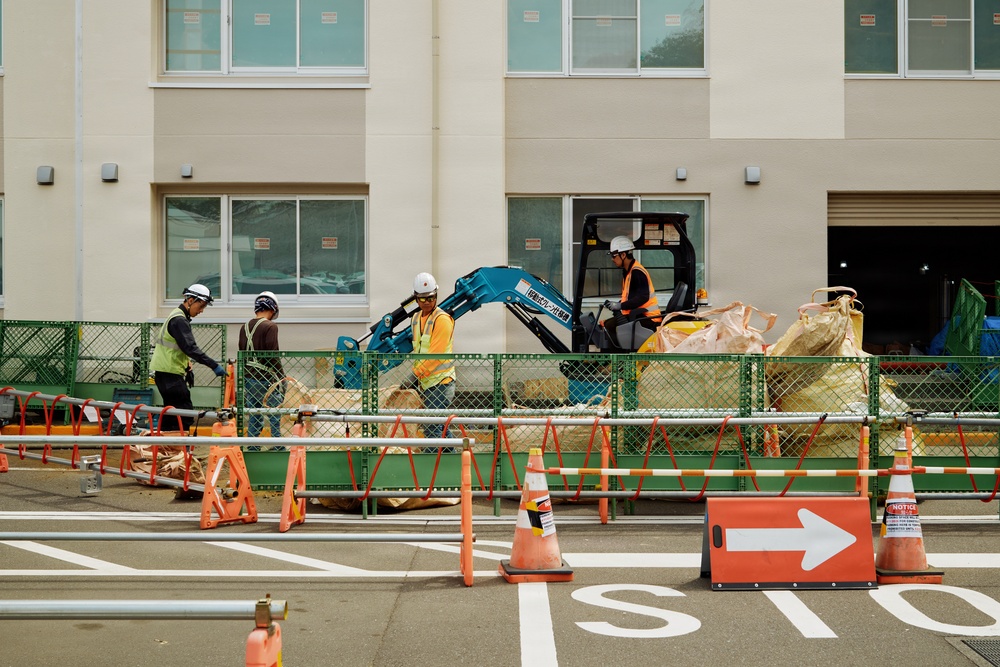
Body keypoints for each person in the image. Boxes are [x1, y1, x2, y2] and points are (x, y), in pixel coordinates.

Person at [150, 283, 227, 432]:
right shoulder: (179, 320)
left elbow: (179, 347)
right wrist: (213, 365)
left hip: (167, 373)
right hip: (169, 374)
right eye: (201, 306)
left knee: (172, 413)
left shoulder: (177, 316)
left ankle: (167, 448)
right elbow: (190, 348)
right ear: (190, 300)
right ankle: (179, 448)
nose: (201, 311)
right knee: (184, 414)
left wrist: (187, 364)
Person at [401, 272, 456, 449]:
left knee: (432, 427)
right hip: (428, 383)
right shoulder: (416, 319)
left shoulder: (442, 320)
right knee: (439, 427)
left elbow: (436, 355)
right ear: (415, 298)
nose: (427, 302)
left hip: (442, 383)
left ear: (436, 295)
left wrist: (414, 376)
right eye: (423, 299)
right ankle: (455, 459)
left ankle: (430, 466)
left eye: (431, 298)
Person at [239, 291, 285, 449]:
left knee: (255, 414)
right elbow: (273, 355)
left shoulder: (244, 327)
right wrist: (281, 376)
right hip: (266, 378)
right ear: (272, 309)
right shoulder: (270, 326)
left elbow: (242, 354)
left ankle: (252, 447)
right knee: (274, 414)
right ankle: (278, 447)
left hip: (249, 378)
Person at [601, 235, 662, 351]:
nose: (612, 259)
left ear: (623, 255)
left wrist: (620, 306)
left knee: (610, 326)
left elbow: (643, 297)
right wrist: (618, 304)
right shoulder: (628, 272)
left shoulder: (637, 272)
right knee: (607, 324)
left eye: (614, 256)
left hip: (648, 319)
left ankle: (617, 363)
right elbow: (630, 297)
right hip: (639, 316)